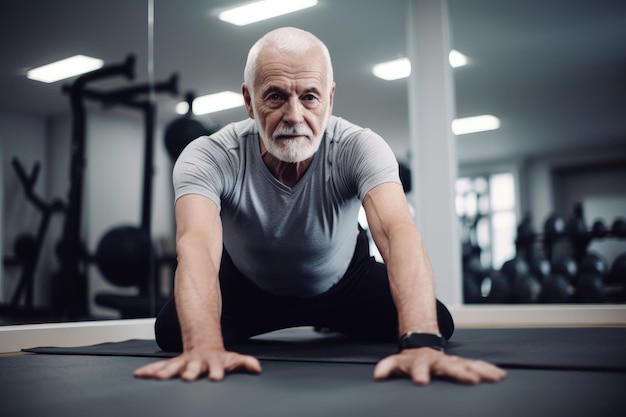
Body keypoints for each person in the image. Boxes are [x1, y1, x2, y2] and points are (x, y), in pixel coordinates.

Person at [134, 27, 506, 385]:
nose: (294, 116)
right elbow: (196, 245)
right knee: (173, 333)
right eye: (276, 96)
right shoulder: (210, 156)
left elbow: (398, 233)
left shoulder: (359, 147)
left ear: (329, 99)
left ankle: (337, 319)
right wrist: (204, 346)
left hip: (345, 283)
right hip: (247, 287)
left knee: (435, 323)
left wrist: (421, 345)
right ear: (249, 101)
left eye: (309, 97)